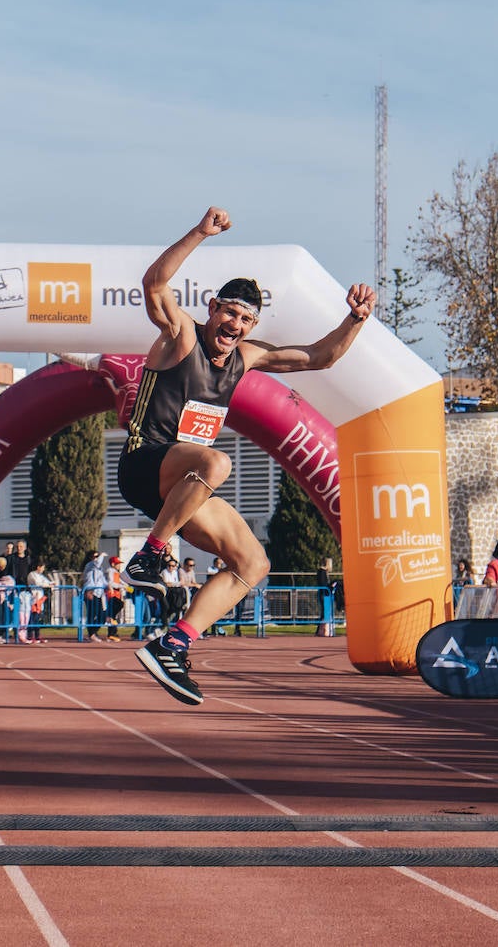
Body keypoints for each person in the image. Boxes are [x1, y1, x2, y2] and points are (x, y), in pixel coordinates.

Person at [117, 206, 376, 705]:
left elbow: (318, 357)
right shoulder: (182, 335)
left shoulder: (247, 356)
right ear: (213, 308)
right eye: (229, 313)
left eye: (245, 319)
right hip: (145, 463)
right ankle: (148, 557)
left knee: (253, 562)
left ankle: (172, 645)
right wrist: (200, 232)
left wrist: (355, 320)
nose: (234, 325)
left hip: (180, 489)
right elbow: (154, 284)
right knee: (216, 463)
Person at [81, 550, 109, 643]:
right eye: (95, 556)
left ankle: (93, 632)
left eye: (98, 556)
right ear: (91, 557)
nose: (97, 558)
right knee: (92, 614)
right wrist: (101, 555)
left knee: (102, 615)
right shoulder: (89, 565)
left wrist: (108, 586)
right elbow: (96, 563)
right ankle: (91, 634)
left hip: (99, 593)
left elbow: (102, 580)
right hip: (90, 592)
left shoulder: (99, 568)